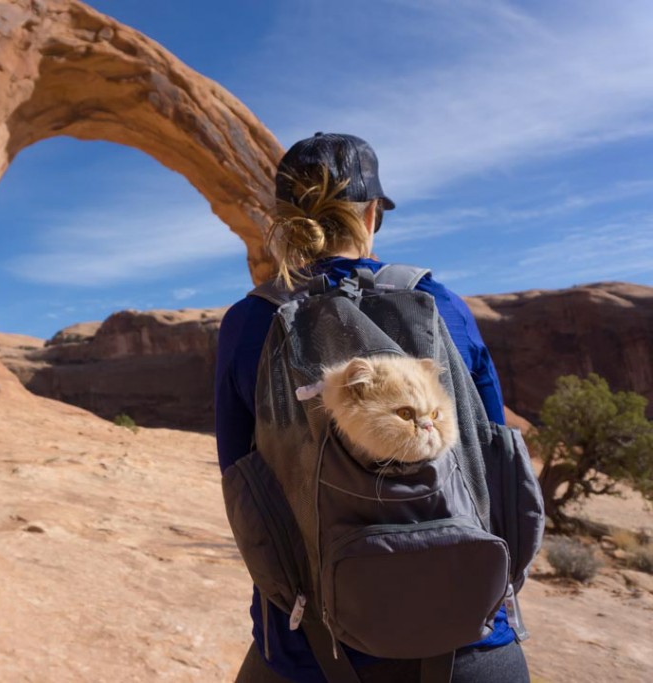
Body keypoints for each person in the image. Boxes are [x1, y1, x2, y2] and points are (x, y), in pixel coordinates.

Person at [215, 133, 530, 683]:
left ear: (286, 219)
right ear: (370, 214)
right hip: (472, 642)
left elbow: (240, 478)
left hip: (308, 650)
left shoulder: (250, 324)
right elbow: (497, 458)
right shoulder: (441, 305)